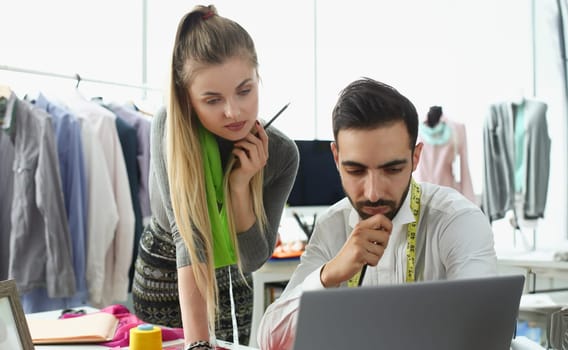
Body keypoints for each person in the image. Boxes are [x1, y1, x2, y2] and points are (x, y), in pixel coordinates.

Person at [257, 78, 498, 349]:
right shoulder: (332, 226)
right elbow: (270, 340)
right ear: (336, 158)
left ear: (416, 157)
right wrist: (328, 274)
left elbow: (482, 331)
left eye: (392, 170)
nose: (373, 193)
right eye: (356, 171)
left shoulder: (458, 221)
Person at [131, 5, 299, 349]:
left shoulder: (281, 154)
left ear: (257, 77)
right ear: (187, 99)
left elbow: (251, 260)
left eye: (244, 90)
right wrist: (198, 345)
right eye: (212, 100)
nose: (233, 111)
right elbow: (187, 236)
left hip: (231, 282)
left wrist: (240, 185)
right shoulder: (170, 129)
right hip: (167, 272)